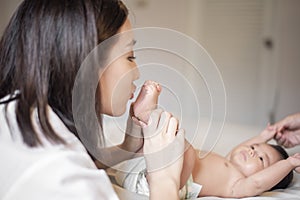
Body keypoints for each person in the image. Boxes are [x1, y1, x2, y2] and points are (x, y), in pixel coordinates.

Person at [0, 0, 185, 200]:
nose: (137, 73)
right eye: (129, 57)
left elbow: (77, 161)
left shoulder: (15, 113)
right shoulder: (61, 176)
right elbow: (67, 173)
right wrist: (165, 180)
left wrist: (126, 148)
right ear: (87, 61)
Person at [116, 125, 300, 199]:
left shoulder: (237, 185)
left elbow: (258, 182)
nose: (251, 152)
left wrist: (289, 163)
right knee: (159, 143)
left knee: (186, 151)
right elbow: (241, 149)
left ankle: (148, 124)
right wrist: (262, 137)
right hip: (138, 168)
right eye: (254, 148)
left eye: (261, 159)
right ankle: (141, 125)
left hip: (164, 184)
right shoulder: (227, 159)